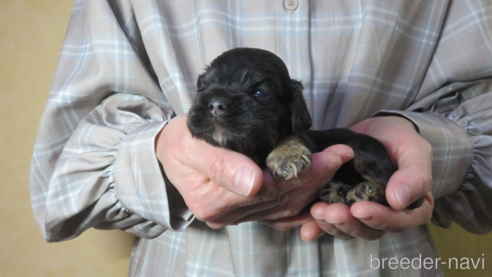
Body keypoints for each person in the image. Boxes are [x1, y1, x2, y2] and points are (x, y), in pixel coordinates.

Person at [30, 0, 492, 276]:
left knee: (362, 160)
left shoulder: (300, 129)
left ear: (293, 107)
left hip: (384, 262)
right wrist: (158, 159)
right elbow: (59, 180)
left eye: (256, 91)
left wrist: (429, 148)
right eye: (208, 89)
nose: (216, 104)